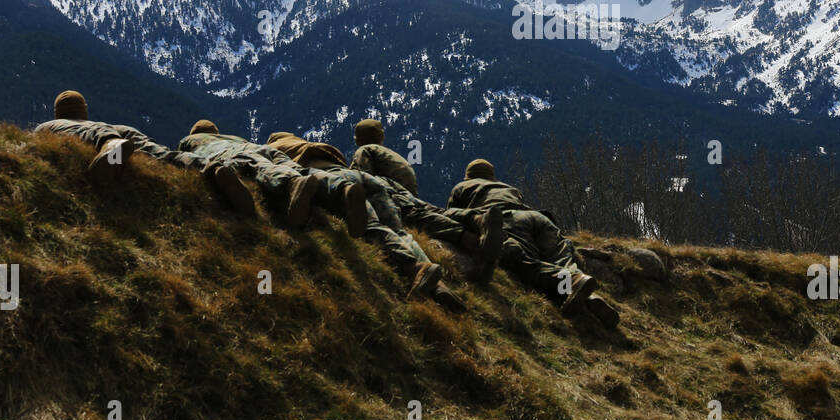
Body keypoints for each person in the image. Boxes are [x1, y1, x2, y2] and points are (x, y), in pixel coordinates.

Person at [261, 131, 469, 312]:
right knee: (400, 231)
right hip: (365, 179)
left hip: (334, 178)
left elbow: (276, 174)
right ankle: (438, 282)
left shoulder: (277, 150)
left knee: (371, 226)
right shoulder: (313, 146)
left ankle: (414, 268)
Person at [446, 159, 620, 328]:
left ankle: (572, 280)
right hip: (538, 219)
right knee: (561, 259)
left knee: (525, 263)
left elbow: (451, 215)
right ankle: (587, 295)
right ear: (491, 175)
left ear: (468, 176)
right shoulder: (508, 188)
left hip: (508, 220)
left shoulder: (462, 187)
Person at [34, 91, 254, 216]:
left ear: (57, 112)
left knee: (96, 132)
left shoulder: (51, 125)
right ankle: (211, 168)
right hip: (117, 130)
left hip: (101, 133)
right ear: (84, 108)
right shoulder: (98, 122)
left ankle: (112, 147)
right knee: (161, 154)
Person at [177, 122, 346, 232]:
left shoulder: (189, 140)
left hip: (230, 153)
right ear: (215, 131)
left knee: (258, 166)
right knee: (297, 168)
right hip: (260, 148)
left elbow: (181, 158)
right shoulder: (233, 137)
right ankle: (341, 188)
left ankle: (292, 183)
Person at [349, 119, 419, 195]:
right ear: (381, 137)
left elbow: (359, 177)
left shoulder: (365, 150)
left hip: (395, 195)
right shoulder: (387, 154)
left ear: (358, 140)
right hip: (410, 196)